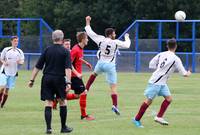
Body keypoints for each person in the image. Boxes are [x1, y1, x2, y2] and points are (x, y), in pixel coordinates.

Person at [132, 38, 191, 128]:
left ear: (167, 46)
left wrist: (160, 68)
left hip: (161, 82)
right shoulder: (176, 58)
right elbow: (184, 74)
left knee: (169, 99)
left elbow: (151, 64)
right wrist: (188, 73)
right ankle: (136, 119)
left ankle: (159, 117)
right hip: (156, 82)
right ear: (176, 46)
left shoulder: (161, 54)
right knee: (148, 101)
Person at [28, 30, 73, 134]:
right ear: (62, 39)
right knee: (62, 101)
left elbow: (38, 66)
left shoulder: (47, 50)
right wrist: (69, 82)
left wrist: (32, 80)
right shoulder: (65, 51)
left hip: (47, 78)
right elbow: (68, 69)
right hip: (59, 79)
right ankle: (63, 127)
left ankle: (49, 128)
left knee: (48, 102)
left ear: (53, 38)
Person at [84, 16, 131, 115]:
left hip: (101, 63)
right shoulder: (116, 42)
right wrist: (127, 38)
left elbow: (90, 32)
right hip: (110, 65)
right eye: (114, 33)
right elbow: (127, 45)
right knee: (113, 88)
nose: (115, 34)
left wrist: (87, 21)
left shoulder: (101, 39)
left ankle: (86, 88)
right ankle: (115, 105)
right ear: (110, 34)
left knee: (94, 74)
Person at [53, 34, 95, 121]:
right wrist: (76, 73)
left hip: (75, 76)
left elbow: (78, 58)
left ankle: (58, 98)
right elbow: (69, 63)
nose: (88, 40)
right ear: (83, 39)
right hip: (73, 76)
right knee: (84, 92)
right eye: (87, 38)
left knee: (77, 96)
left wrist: (86, 63)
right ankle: (83, 115)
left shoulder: (79, 48)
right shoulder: (75, 49)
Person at [0, 36, 24, 108]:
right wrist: (4, 62)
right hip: (4, 71)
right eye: (14, 41)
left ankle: (2, 105)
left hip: (13, 72)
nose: (16, 42)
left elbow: (22, 61)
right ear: (11, 41)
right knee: (2, 87)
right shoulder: (6, 50)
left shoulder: (19, 51)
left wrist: (20, 62)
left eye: (17, 41)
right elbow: (1, 59)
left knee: (7, 90)